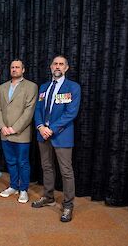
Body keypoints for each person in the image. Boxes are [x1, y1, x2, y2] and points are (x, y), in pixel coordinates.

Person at [32, 55, 81, 222]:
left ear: (66, 68)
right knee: (47, 167)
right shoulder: (44, 87)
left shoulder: (73, 87)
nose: (57, 66)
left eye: (61, 64)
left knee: (66, 172)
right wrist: (40, 127)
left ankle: (68, 205)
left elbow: (71, 113)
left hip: (61, 135)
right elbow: (38, 110)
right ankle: (48, 197)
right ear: (51, 67)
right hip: (42, 133)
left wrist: (50, 129)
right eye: (55, 64)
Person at [0, 59, 38, 203]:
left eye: (17, 67)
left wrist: (14, 128)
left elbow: (29, 110)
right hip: (5, 133)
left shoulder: (31, 87)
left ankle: (23, 189)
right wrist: (2, 127)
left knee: (23, 162)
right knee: (11, 161)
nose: (14, 69)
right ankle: (13, 186)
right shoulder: (2, 87)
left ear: (23, 70)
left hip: (21, 133)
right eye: (12, 67)